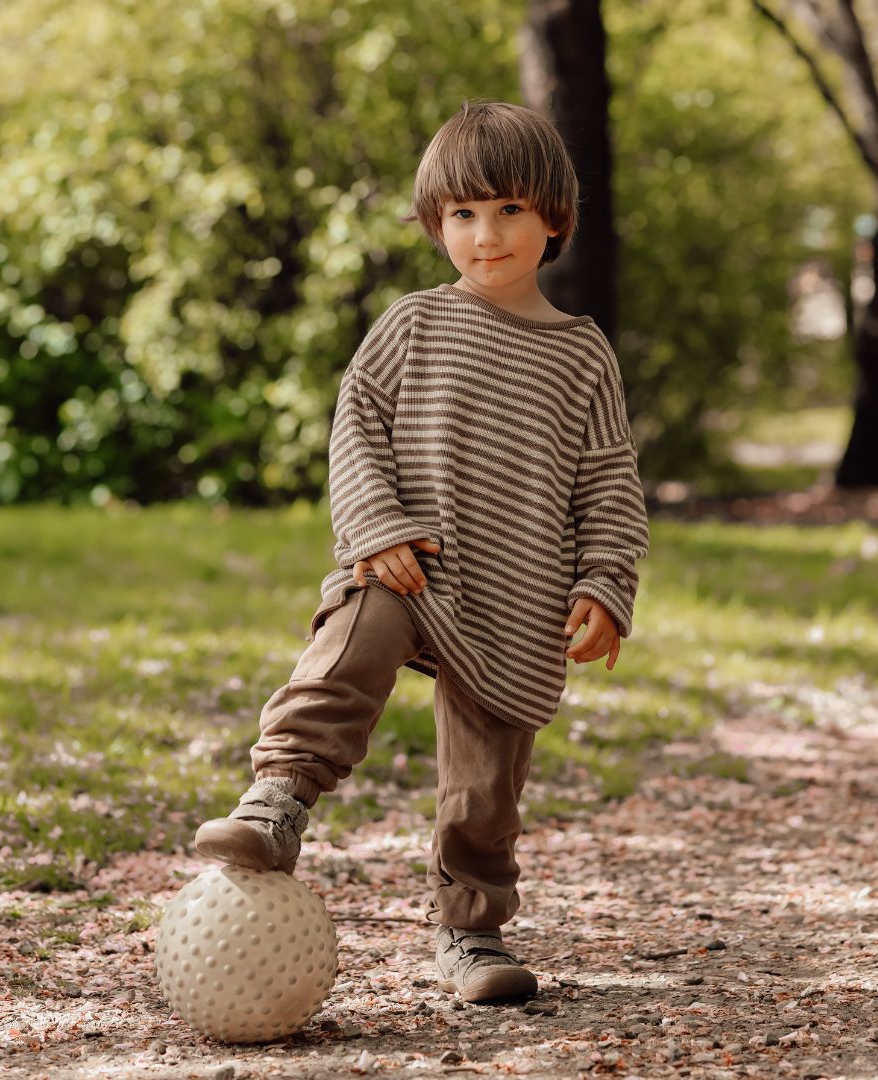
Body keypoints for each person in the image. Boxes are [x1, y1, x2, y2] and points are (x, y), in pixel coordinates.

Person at [195, 100, 650, 1004]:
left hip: (518, 599)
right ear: (437, 223)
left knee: (486, 791)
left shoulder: (582, 357)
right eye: (464, 215)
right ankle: (279, 799)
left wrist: (605, 582)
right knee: (348, 646)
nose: (487, 235)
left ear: (553, 216)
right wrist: (378, 526)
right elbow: (356, 424)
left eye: (510, 211)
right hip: (410, 566)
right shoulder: (413, 324)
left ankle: (471, 933)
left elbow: (609, 482)